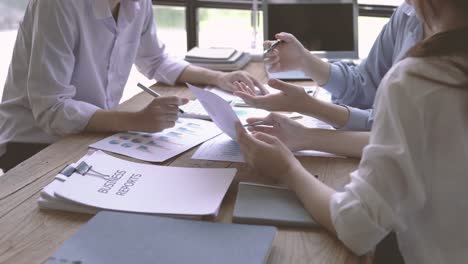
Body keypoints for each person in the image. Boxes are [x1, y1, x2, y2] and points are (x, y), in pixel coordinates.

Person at [236, 0, 468, 262]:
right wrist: (305, 61)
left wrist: (287, 168)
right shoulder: (407, 17)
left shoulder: (420, 79)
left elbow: (358, 225)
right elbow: (368, 91)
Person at [0, 0, 265, 172]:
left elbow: (156, 61)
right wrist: (136, 120)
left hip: (89, 132)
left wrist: (218, 78)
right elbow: (51, 110)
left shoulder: (137, 3)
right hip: (33, 143)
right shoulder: (58, 5)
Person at [233, 2, 423, 157]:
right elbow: (364, 87)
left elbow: (392, 131)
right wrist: (304, 60)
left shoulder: (445, 48)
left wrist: (308, 110)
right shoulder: (408, 12)